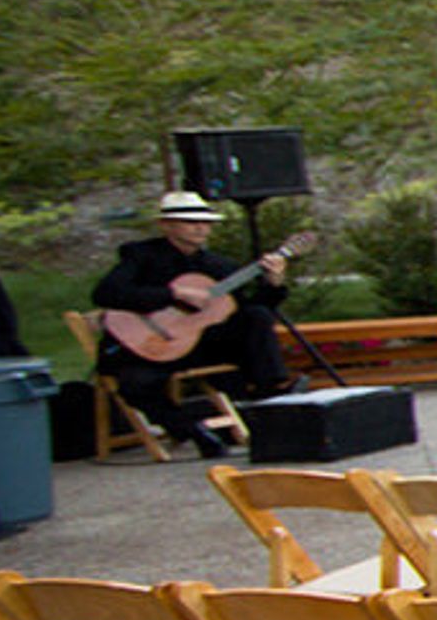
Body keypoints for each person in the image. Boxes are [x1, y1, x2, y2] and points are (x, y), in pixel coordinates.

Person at [91, 190, 292, 457]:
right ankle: (193, 431)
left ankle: (271, 395)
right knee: (135, 381)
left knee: (256, 318)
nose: (200, 228)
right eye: (190, 221)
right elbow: (107, 293)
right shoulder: (141, 257)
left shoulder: (219, 266)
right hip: (145, 346)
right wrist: (173, 294)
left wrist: (274, 283)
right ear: (166, 225)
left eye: (206, 222)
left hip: (196, 344)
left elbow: (248, 308)